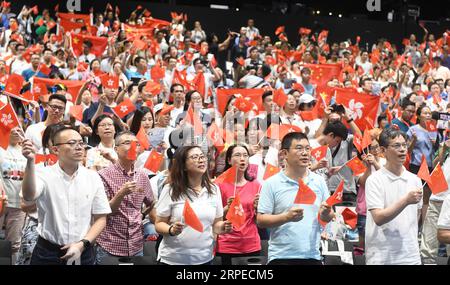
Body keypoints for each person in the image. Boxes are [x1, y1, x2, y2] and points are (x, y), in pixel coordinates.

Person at [21, 127, 111, 265]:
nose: (79, 147)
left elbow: (101, 218)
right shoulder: (43, 174)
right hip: (48, 251)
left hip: (82, 250)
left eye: (81, 143)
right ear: (56, 149)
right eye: (72, 142)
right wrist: (30, 162)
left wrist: (83, 243)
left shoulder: (93, 177)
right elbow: (28, 196)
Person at [257, 132, 335, 265]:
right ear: (284, 154)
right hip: (281, 257)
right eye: (299, 148)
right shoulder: (271, 183)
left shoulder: (319, 181)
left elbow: (329, 216)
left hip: (313, 255)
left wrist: (326, 214)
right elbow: (261, 220)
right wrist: (287, 217)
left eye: (307, 148)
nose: (305, 153)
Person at [155, 146, 232, 265]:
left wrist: (223, 227)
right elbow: (159, 224)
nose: (201, 160)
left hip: (205, 259)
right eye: (194, 157)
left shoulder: (214, 189)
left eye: (202, 157)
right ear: (184, 165)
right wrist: (171, 230)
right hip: (173, 260)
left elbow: (216, 224)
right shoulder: (170, 190)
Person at [365, 128, 423, 265]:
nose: (402, 149)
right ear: (383, 151)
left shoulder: (415, 180)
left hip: (410, 256)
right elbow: (378, 218)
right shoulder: (375, 180)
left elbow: (417, 215)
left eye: (404, 145)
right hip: (381, 256)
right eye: (396, 146)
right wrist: (406, 200)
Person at [95, 131, 154, 264]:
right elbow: (104, 211)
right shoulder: (103, 175)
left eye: (136, 144)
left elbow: (151, 203)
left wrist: (142, 216)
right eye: (127, 143)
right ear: (116, 149)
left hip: (136, 245)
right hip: (110, 245)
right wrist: (121, 193)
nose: (133, 147)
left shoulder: (142, 176)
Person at [216, 144, 261, 265]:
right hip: (226, 245)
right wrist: (226, 208)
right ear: (229, 160)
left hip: (251, 244)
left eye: (245, 155)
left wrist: (258, 208)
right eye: (238, 155)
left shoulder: (256, 184)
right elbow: (213, 218)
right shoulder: (218, 184)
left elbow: (259, 220)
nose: (242, 158)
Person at [0, 127, 27, 264]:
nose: (17, 132)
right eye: (13, 130)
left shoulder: (26, 152)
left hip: (19, 203)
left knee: (15, 243)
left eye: (19, 130)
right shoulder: (1, 149)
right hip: (1, 202)